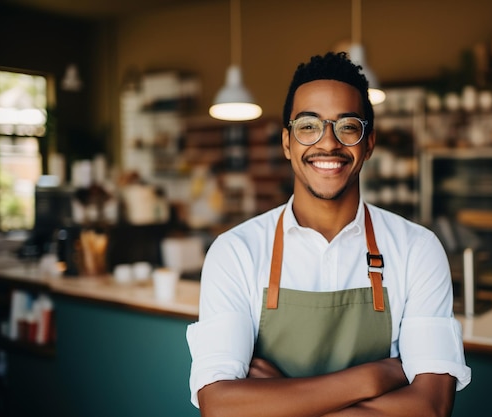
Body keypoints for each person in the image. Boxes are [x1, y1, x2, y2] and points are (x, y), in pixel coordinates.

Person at [186, 51, 471, 417]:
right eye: (308, 125)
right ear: (287, 142)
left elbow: (430, 407)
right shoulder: (236, 252)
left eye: (348, 125)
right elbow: (221, 408)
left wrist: (275, 398)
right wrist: (373, 377)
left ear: (368, 143)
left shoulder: (417, 249)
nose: (328, 143)